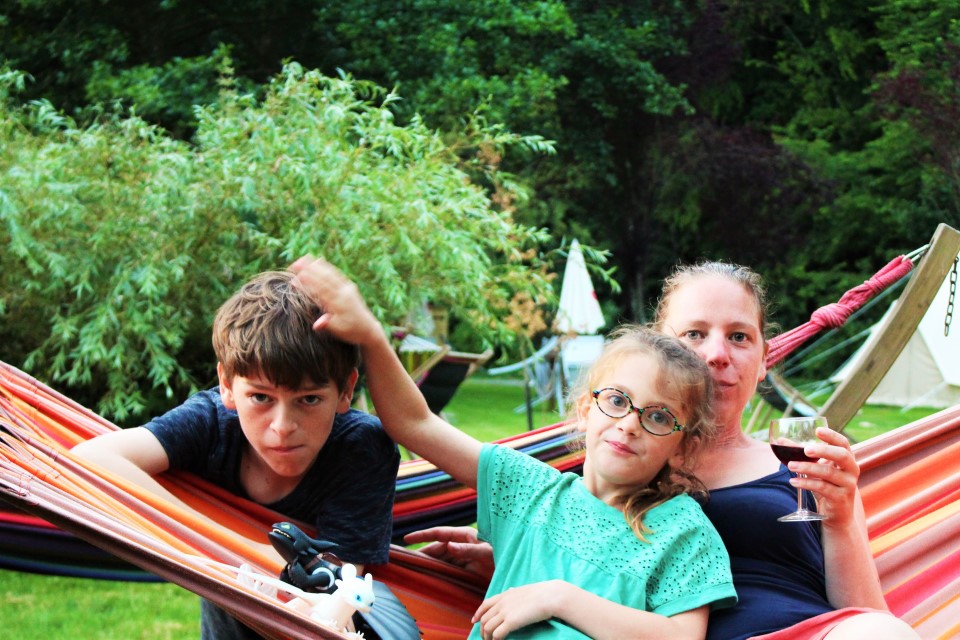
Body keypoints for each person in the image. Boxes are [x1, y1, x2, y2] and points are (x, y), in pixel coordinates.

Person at [406, 261, 920, 640]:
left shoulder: (808, 473)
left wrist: (838, 515)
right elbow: (582, 545)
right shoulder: (617, 449)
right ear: (660, 348)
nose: (717, 354)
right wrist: (511, 557)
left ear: (765, 359)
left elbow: (867, 615)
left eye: (740, 337)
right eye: (695, 333)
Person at [290, 255, 737, 640]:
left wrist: (557, 597)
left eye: (658, 416)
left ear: (682, 447)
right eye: (617, 400)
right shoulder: (529, 491)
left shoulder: (682, 531)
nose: (630, 424)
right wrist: (370, 336)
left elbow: (681, 635)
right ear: (585, 410)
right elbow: (416, 424)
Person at [72, 270, 400, 640]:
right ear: (227, 386)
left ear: (345, 391)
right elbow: (89, 460)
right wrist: (232, 544)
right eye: (261, 397)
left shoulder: (360, 448)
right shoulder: (213, 421)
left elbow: (333, 589)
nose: (282, 425)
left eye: (308, 399)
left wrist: (230, 555)